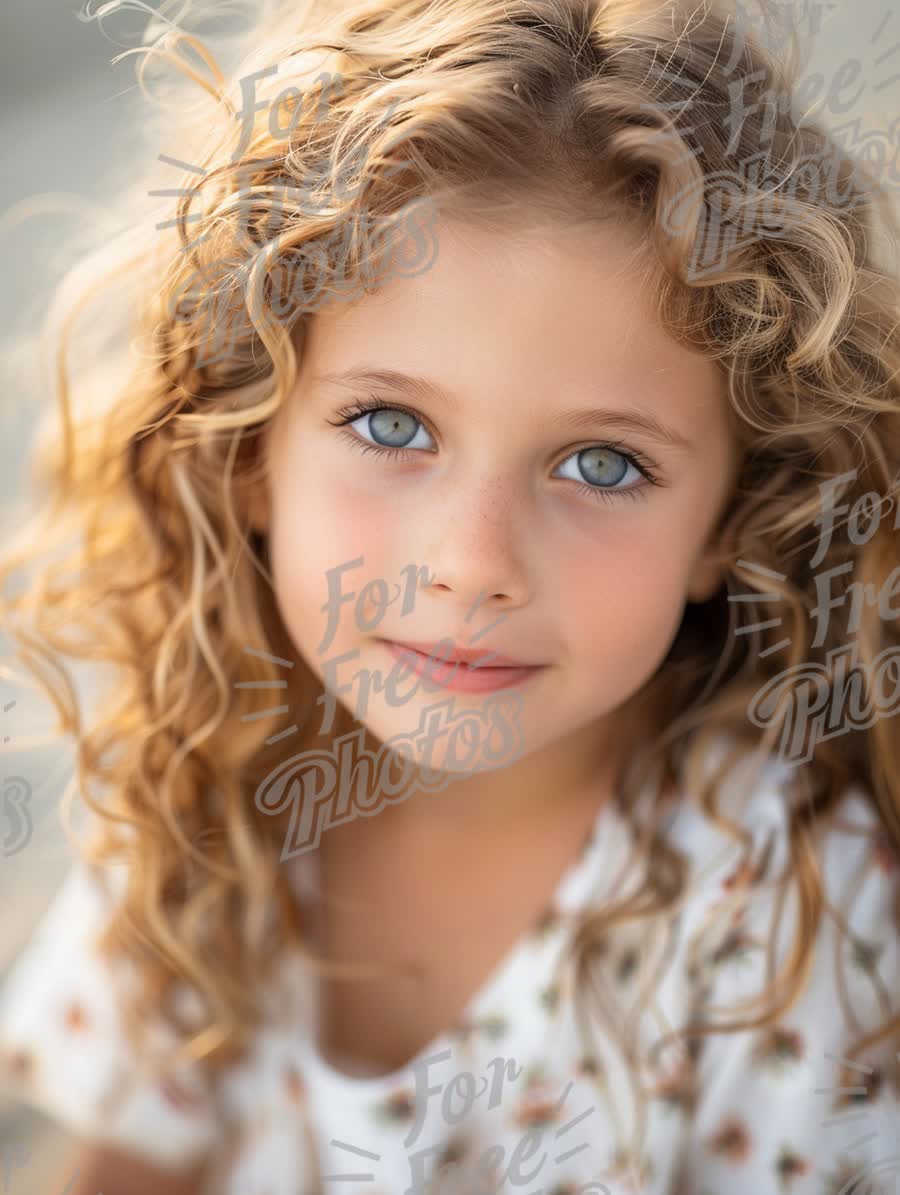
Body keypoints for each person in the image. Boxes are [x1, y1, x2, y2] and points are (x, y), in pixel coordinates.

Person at [0, 0, 898, 1191]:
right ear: (247, 447)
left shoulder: (794, 916)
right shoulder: (199, 769)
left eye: (603, 464)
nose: (473, 562)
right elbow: (129, 1159)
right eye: (390, 424)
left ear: (728, 527)